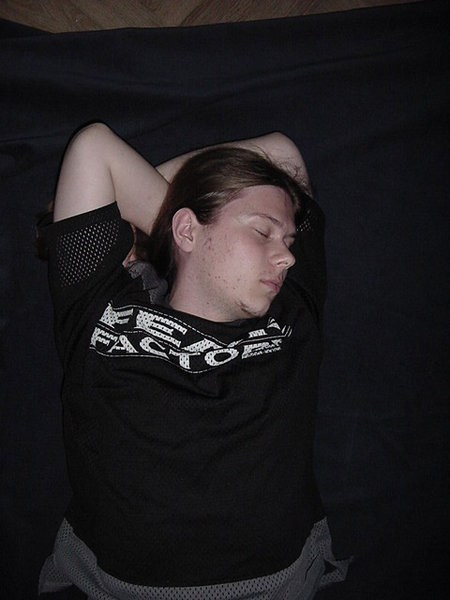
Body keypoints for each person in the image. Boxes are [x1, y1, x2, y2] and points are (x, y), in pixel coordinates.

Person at [38, 123, 350, 599]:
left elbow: (283, 154)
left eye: (288, 241)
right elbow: (94, 147)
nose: (287, 258)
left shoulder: (293, 312)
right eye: (263, 231)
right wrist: (167, 228)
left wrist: (153, 224)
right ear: (187, 229)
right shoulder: (101, 310)